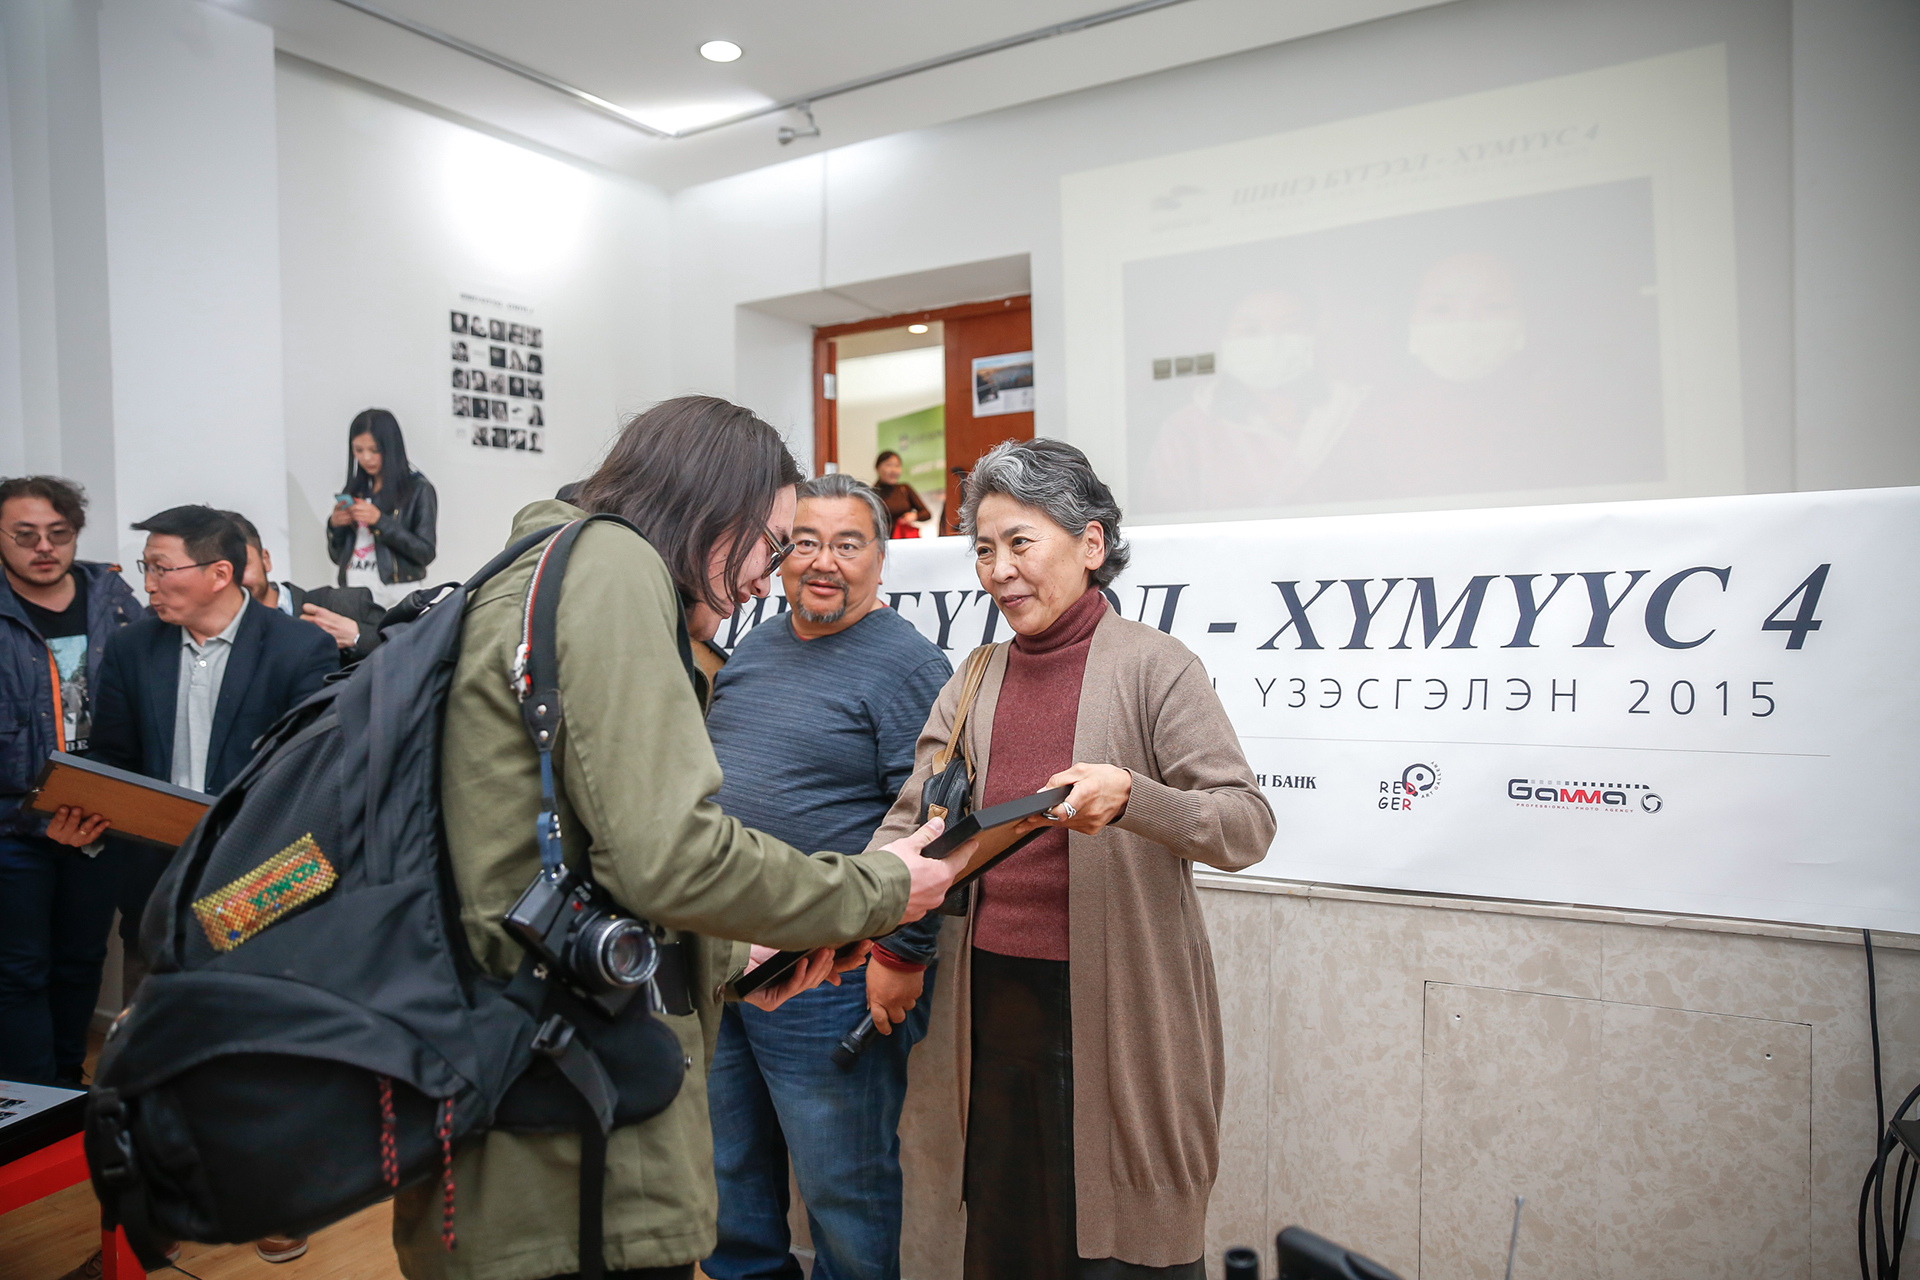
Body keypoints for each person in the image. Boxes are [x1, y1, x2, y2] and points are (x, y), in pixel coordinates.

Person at [389, 395, 963, 1280]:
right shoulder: (613, 568)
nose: (769, 577)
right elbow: (668, 856)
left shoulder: (542, 563)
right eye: (776, 543)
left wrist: (733, 954)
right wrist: (880, 890)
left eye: (832, 544)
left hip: (532, 1044)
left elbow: (615, 848)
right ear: (713, 511)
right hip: (552, 1064)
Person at [866, 438, 1277, 1279]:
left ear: (1091, 544)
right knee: (1009, 1239)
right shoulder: (974, 677)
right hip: (994, 1006)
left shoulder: (1156, 667)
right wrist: (837, 909)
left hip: (1124, 1009)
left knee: (1122, 1243)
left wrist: (1132, 798)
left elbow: (1246, 825)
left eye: (1020, 542)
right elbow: (910, 821)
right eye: (984, 549)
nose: (999, 570)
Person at [43, 504, 335, 1267]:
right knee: (151, 1060)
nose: (147, 583)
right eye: (146, 567)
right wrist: (86, 814)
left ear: (219, 573)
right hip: (157, 887)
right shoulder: (133, 647)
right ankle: (153, 1220)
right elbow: (115, 759)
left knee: (260, 1056)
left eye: (159, 567)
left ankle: (275, 1198)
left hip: (262, 886)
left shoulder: (298, 647)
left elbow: (310, 776)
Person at [703, 474, 952, 1280]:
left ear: (881, 557)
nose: (823, 561)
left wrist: (902, 955)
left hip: (832, 972)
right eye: (804, 541)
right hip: (720, 955)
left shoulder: (909, 666)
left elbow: (934, 828)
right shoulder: (754, 645)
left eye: (847, 544)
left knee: (843, 1188)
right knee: (728, 1174)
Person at [0, 476, 140, 1085]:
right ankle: (35, 1100)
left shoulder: (113, 598)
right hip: (12, 824)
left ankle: (65, 1083)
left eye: (58, 534)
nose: (44, 548)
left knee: (82, 961)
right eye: (25, 535)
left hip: (99, 815)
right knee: (19, 970)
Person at [226, 511, 388, 666]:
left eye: (241, 566)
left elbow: (400, 646)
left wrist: (357, 637)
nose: (233, 580)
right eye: (220, 573)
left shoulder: (342, 604)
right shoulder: (218, 634)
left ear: (265, 560)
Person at [327, 408, 438, 608]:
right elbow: (337, 557)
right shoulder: (354, 489)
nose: (366, 458)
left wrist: (380, 521)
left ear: (391, 447)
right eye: (358, 450)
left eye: (374, 450)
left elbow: (425, 553)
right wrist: (335, 526)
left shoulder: (418, 489)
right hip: (353, 594)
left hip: (397, 596)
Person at [870, 451, 930, 539]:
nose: (893, 470)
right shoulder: (872, 494)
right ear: (877, 468)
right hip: (881, 540)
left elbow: (927, 514)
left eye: (897, 466)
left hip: (904, 539)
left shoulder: (904, 489)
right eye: (888, 465)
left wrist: (914, 516)